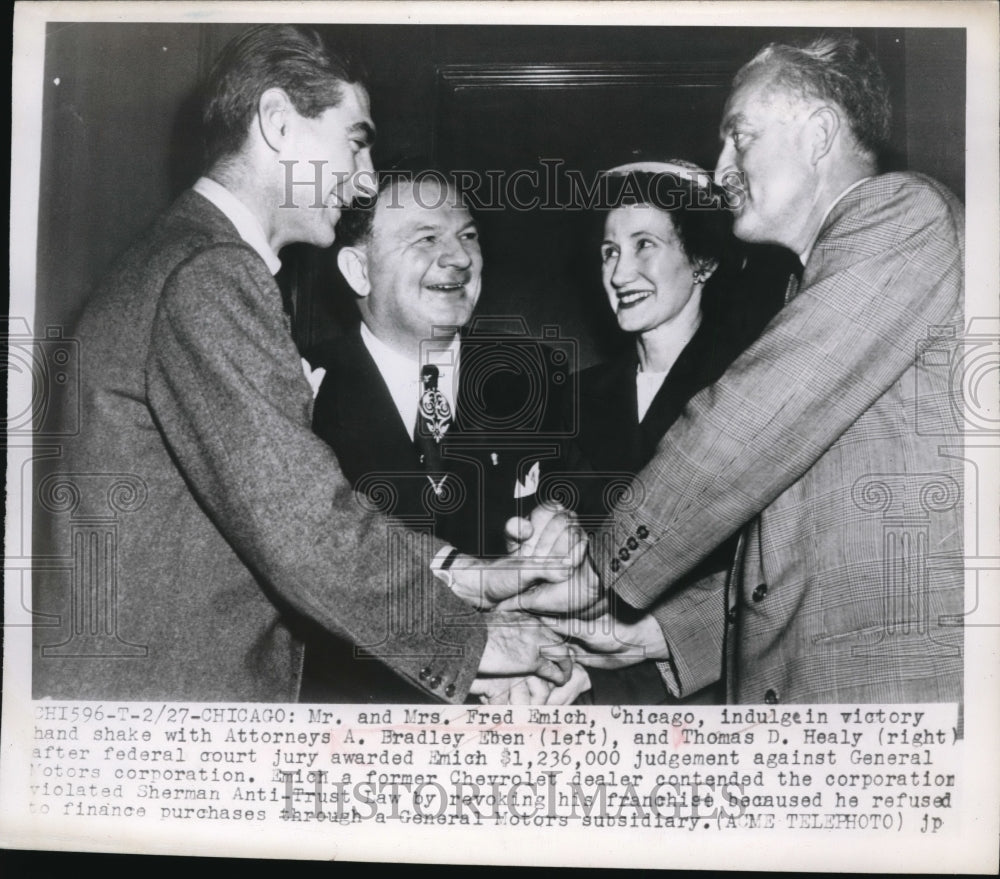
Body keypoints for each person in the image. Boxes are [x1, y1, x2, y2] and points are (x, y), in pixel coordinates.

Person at [32, 25, 576, 703]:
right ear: (279, 123)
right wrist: (476, 639)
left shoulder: (184, 258)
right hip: (178, 704)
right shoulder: (209, 273)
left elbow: (297, 511)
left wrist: (461, 570)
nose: (367, 177)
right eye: (356, 140)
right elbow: (301, 524)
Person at [512, 35, 965, 707]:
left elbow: (745, 425)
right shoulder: (814, 284)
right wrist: (655, 631)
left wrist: (595, 568)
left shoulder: (903, 215)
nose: (721, 166)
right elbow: (800, 552)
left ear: (817, 133)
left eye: (739, 137)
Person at [300, 169, 579, 702]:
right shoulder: (298, 388)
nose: (459, 258)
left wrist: (564, 528)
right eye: (427, 238)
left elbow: (587, 511)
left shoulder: (536, 377)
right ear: (359, 270)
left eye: (468, 236)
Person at [566, 160, 785, 704]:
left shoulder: (751, 387)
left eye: (645, 245)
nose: (619, 273)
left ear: (704, 261)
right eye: (610, 251)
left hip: (704, 684)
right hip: (580, 679)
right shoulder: (570, 396)